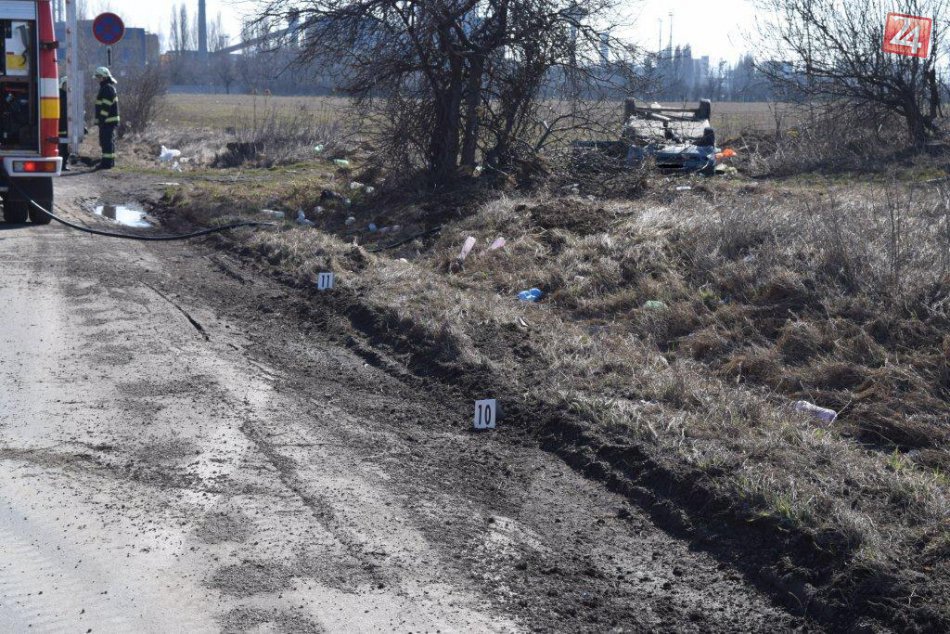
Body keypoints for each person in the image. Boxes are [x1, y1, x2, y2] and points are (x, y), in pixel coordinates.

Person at [93, 66, 120, 169]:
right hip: (107, 121)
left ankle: (107, 164)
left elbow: (105, 106)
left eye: (98, 77)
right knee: (106, 142)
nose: (97, 79)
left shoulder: (107, 88)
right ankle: (109, 162)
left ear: (103, 77)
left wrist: (101, 119)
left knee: (106, 142)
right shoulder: (106, 87)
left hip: (107, 121)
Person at [58, 76, 70, 171]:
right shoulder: (59, 96)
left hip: (66, 126)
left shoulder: (70, 97)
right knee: (60, 146)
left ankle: (64, 164)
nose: (68, 86)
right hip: (59, 125)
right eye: (66, 84)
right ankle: (61, 164)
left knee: (65, 146)